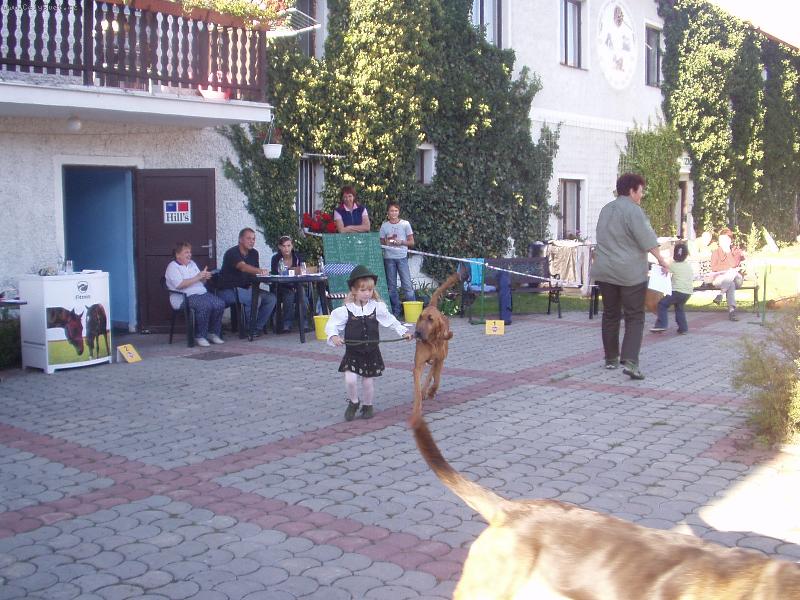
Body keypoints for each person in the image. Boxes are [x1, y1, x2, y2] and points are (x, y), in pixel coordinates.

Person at [591, 173, 669, 380]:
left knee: (610, 314)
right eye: (641, 191)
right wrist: (661, 260)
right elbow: (647, 239)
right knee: (635, 315)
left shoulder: (606, 209)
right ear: (632, 191)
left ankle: (611, 358)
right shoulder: (634, 210)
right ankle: (631, 361)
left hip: (604, 270)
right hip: (629, 273)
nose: (641, 195)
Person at [324, 265, 412, 421]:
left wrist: (403, 332)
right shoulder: (345, 310)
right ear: (353, 290)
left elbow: (391, 321)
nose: (367, 293)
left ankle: (368, 405)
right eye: (363, 290)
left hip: (371, 352)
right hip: (353, 352)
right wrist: (334, 336)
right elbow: (332, 325)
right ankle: (354, 402)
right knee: (350, 380)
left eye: (370, 290)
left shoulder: (377, 307)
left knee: (367, 381)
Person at [218, 228, 277, 337]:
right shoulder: (232, 253)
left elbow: (254, 273)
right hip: (229, 289)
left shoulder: (254, 253)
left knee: (271, 298)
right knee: (254, 298)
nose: (252, 241)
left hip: (247, 287)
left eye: (253, 239)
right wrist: (261, 271)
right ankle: (249, 328)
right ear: (240, 239)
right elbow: (243, 267)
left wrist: (265, 279)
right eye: (249, 238)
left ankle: (256, 328)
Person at [164, 241, 225, 347]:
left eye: (190, 252)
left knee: (219, 304)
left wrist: (204, 277)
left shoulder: (192, 264)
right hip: (183, 297)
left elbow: (201, 282)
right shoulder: (172, 267)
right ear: (177, 255)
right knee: (204, 305)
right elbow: (180, 285)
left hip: (200, 293)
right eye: (186, 252)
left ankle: (212, 333)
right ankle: (200, 336)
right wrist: (197, 277)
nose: (189, 254)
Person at [379, 200, 416, 319]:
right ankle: (396, 312)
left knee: (407, 285)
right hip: (389, 258)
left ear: (399, 212)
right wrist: (387, 242)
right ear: (388, 213)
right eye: (391, 211)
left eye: (396, 211)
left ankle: (413, 311)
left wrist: (402, 242)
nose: (394, 213)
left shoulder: (405, 224)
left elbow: (412, 242)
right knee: (391, 288)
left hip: (402, 257)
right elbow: (381, 242)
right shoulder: (384, 226)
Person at [650, 242, 693, 334]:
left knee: (662, 304)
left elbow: (664, 268)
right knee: (679, 308)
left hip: (677, 291)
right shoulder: (688, 266)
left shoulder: (673, 265)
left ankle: (661, 325)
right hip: (688, 292)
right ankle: (683, 328)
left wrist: (662, 265)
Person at [270, 235, 308, 333]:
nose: (286, 248)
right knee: (289, 294)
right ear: (279, 247)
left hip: (297, 285)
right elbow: (275, 275)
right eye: (284, 246)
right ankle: (287, 324)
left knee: (302, 294)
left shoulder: (297, 257)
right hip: (281, 286)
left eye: (288, 245)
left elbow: (303, 271)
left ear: (292, 246)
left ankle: (303, 322)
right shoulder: (276, 258)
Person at [710, 228, 745, 321]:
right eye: (721, 240)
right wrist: (728, 268)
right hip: (720, 279)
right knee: (730, 284)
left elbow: (734, 265)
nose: (722, 243)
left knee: (732, 272)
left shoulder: (736, 251)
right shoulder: (716, 252)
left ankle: (721, 293)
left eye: (725, 240)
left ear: (730, 241)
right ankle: (731, 311)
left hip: (736, 278)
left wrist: (728, 252)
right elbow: (714, 267)